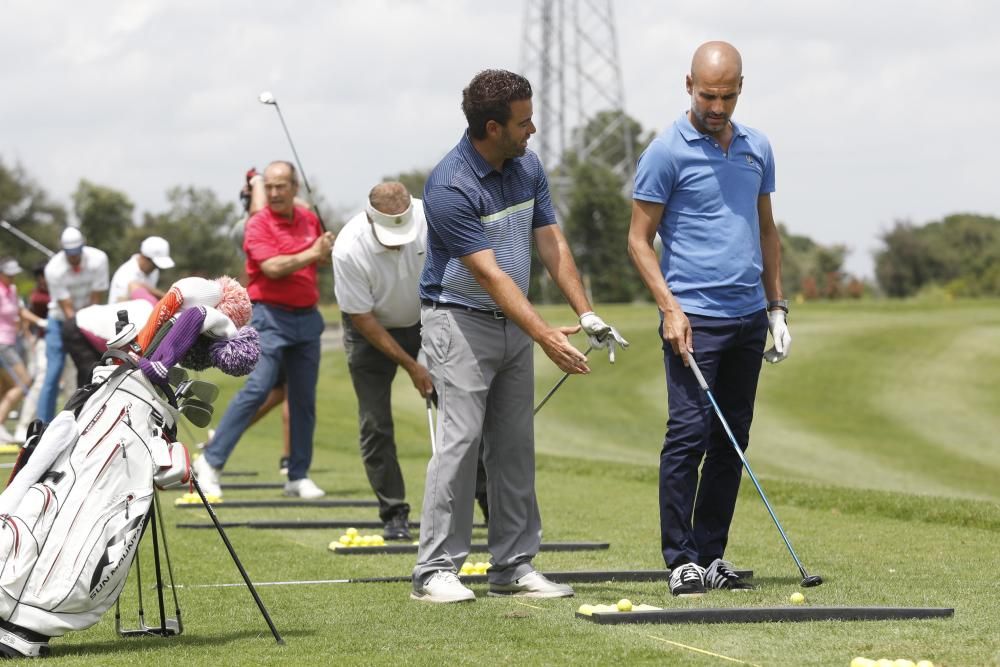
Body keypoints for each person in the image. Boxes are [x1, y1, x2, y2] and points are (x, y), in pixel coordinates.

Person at [410, 69, 627, 603]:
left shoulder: (526, 165)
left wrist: (587, 312)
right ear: (492, 127)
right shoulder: (450, 185)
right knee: (461, 444)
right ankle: (434, 569)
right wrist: (547, 337)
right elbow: (491, 276)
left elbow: (551, 243)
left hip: (510, 322)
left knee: (513, 447)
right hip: (457, 319)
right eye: (524, 122)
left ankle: (511, 565)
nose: (533, 130)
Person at [626, 41, 791, 597]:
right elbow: (638, 241)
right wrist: (669, 308)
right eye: (706, 95)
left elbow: (767, 230)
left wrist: (776, 308)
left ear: (741, 87)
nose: (716, 106)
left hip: (748, 317)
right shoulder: (665, 152)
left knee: (731, 439)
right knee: (689, 434)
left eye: (726, 95)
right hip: (692, 317)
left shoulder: (757, 147)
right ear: (688, 85)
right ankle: (680, 559)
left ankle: (711, 555)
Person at [193, 161, 335, 499]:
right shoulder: (256, 224)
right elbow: (271, 268)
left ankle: (297, 475)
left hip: (307, 317)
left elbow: (319, 260)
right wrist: (313, 251)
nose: (274, 193)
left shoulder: (309, 219)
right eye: (268, 186)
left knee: (303, 400)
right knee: (258, 388)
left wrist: (325, 252)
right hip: (270, 316)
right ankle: (210, 462)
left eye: (280, 186)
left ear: (294, 187)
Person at [333, 181, 432, 541]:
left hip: (427, 318)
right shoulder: (348, 249)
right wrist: (412, 365)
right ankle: (394, 513)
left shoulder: (432, 216)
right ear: (370, 217)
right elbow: (363, 319)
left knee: (460, 411)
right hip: (368, 331)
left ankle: (484, 503)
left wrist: (431, 346)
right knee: (375, 423)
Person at [37, 227, 109, 423]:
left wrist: (89, 325)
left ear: (83, 246)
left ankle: (90, 418)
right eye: (70, 254)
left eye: (77, 253)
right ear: (64, 250)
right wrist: (78, 326)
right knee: (53, 373)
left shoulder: (99, 259)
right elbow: (67, 309)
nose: (74, 258)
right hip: (60, 321)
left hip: (89, 321)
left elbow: (96, 299)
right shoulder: (53, 269)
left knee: (92, 369)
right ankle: (42, 425)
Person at [0, 259, 46, 442]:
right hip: (1, 344)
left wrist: (39, 322)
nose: (12, 277)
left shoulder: (12, 290)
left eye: (13, 274)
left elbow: (20, 312)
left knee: (5, 387)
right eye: (8, 274)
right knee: (24, 382)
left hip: (11, 342)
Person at [107, 236, 175, 304]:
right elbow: (122, 304)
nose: (156, 268)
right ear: (144, 257)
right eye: (154, 265)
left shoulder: (154, 271)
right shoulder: (125, 275)